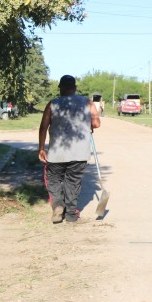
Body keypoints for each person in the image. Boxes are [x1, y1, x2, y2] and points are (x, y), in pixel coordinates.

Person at [38, 75, 101, 223]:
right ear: (74, 88)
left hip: (56, 153)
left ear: (61, 88)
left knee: (53, 179)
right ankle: (71, 214)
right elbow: (96, 124)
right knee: (73, 182)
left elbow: (43, 126)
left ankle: (58, 206)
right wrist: (89, 125)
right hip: (80, 153)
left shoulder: (52, 104)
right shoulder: (87, 103)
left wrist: (41, 148)